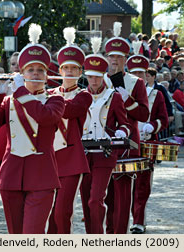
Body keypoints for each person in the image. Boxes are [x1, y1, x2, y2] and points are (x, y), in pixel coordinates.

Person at [0, 24, 65, 234]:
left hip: (42, 175)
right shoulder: (10, 99)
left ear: (47, 75)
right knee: (15, 235)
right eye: (30, 70)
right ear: (22, 72)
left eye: (40, 71)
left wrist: (19, 92)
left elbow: (44, 117)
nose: (35, 74)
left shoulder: (55, 99)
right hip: (12, 175)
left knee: (32, 233)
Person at [79, 37, 131, 234]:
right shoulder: (79, 96)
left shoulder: (113, 96)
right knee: (86, 202)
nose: (94, 81)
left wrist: (120, 132)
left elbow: (125, 124)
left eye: (98, 77)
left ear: (104, 76)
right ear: (86, 76)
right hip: (82, 155)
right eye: (91, 77)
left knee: (96, 199)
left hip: (105, 154)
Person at [103, 23, 149, 234]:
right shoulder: (98, 80)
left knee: (122, 197)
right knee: (103, 196)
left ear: (126, 58)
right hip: (102, 145)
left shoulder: (136, 82)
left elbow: (143, 115)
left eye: (120, 56)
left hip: (127, 146)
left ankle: (120, 237)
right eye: (111, 56)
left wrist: (127, 100)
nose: (114, 60)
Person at [46, 27, 92, 234]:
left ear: (80, 72)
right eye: (66, 68)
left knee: (62, 212)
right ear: (60, 70)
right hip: (47, 158)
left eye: (74, 69)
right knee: (47, 213)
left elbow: (70, 110)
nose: (70, 72)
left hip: (71, 159)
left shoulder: (84, 95)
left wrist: (44, 100)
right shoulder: (47, 93)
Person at [126, 51, 169, 234]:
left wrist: (153, 126)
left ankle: (138, 221)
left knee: (143, 184)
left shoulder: (156, 94)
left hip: (147, 144)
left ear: (146, 74)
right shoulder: (122, 92)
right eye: (134, 73)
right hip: (127, 145)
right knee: (125, 183)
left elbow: (164, 119)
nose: (138, 77)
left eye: (141, 73)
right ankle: (124, 218)